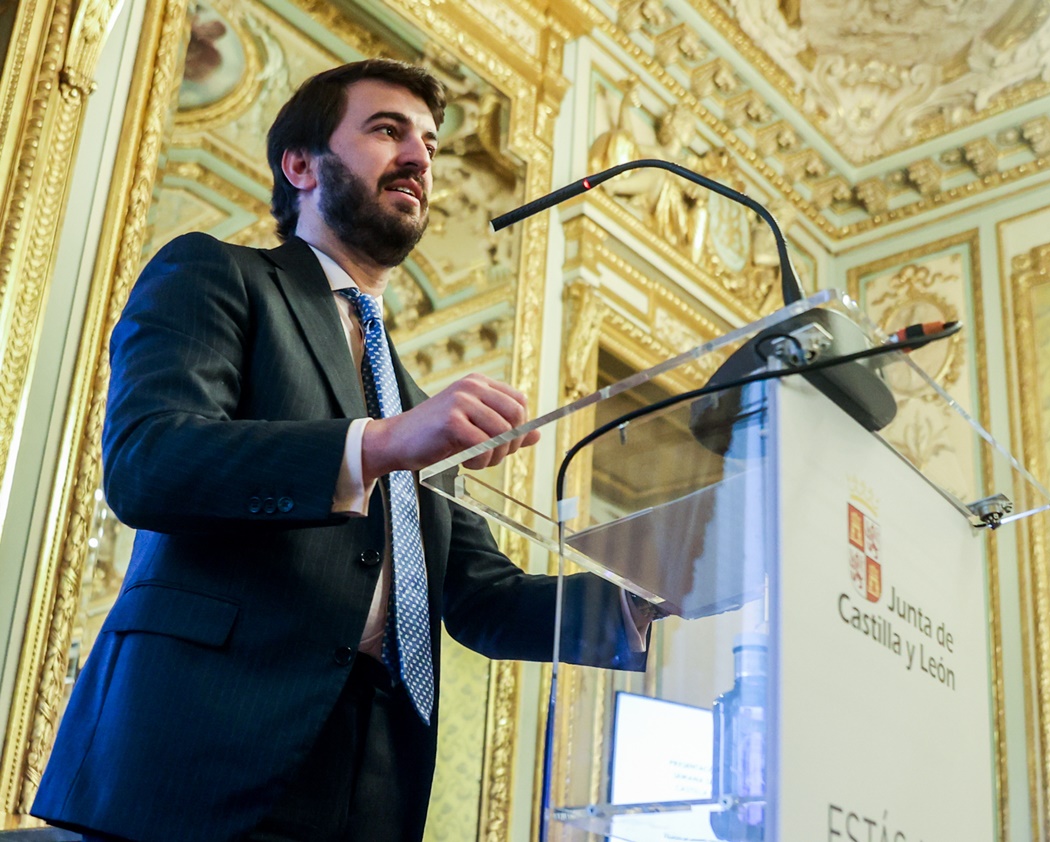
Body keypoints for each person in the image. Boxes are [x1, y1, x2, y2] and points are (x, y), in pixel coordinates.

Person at [32, 59, 651, 842]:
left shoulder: (412, 400)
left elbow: (483, 600)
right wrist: (381, 444)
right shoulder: (217, 275)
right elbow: (148, 463)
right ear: (300, 164)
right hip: (193, 750)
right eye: (388, 130)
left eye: (429, 141)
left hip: (373, 771)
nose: (422, 157)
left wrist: (652, 594)